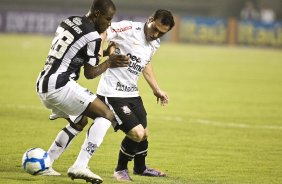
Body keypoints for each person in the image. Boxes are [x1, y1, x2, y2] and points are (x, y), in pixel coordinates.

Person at [71, 9, 175, 182]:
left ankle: (141, 169)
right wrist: (100, 53)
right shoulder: (128, 28)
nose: (156, 34)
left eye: (161, 33)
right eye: (154, 29)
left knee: (145, 133)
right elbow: (104, 32)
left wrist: (156, 89)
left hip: (132, 93)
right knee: (136, 133)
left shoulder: (154, 44)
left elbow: (145, 64)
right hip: (112, 93)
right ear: (149, 19)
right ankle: (120, 170)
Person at [35, 0, 129, 183]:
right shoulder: (93, 37)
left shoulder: (70, 21)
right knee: (106, 115)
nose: (109, 23)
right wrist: (110, 62)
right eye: (108, 19)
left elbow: (77, 50)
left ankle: (46, 163)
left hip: (43, 83)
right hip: (60, 85)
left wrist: (104, 54)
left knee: (80, 121)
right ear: (97, 14)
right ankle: (80, 165)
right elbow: (90, 73)